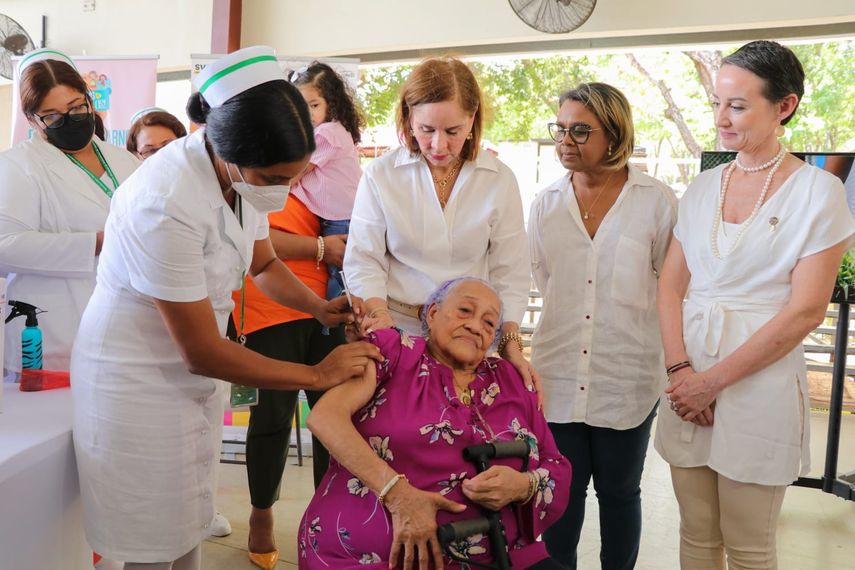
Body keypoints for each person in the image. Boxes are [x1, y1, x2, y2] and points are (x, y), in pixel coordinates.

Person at [70, 46, 382, 570]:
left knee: (189, 525)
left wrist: (318, 307)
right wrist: (315, 374)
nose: (283, 191)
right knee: (152, 543)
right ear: (230, 151)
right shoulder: (164, 201)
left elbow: (264, 264)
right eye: (274, 179)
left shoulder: (239, 177)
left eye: (291, 177)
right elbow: (201, 352)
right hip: (136, 380)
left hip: (193, 374)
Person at [654, 40, 855, 569]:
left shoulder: (818, 193)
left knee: (749, 546)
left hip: (758, 379)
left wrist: (712, 382)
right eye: (717, 103)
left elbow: (806, 310)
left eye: (738, 106)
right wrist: (681, 372)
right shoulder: (702, 188)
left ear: (784, 106)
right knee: (696, 535)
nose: (721, 118)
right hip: (687, 374)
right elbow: (670, 287)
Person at [301, 278, 572, 570]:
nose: (475, 326)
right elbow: (325, 417)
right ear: (432, 313)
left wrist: (524, 486)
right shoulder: (393, 352)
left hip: (502, 555)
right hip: (380, 558)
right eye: (465, 310)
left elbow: (556, 465)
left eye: (489, 323)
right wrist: (399, 495)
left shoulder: (509, 379)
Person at [528, 82, 677, 570]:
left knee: (619, 493)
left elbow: (672, 288)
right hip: (558, 373)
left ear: (613, 135)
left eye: (580, 130)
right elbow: (546, 282)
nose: (565, 140)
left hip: (626, 375)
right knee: (560, 494)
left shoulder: (656, 201)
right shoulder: (546, 203)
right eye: (560, 129)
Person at [343, 56, 539, 400]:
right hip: (396, 328)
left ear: (472, 119)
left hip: (469, 341)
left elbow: (510, 271)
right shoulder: (380, 175)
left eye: (452, 132)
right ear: (409, 117)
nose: (438, 145)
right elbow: (364, 259)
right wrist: (379, 315)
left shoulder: (499, 179)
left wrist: (509, 340)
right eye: (426, 130)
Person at [0, 48, 140, 379]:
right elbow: (5, 247)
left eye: (76, 107)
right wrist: (98, 243)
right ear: (32, 120)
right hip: (54, 332)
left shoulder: (124, 161)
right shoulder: (18, 166)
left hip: (130, 325)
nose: (69, 119)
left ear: (90, 102)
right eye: (52, 115)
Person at [235, 175, 349, 569]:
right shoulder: (254, 175)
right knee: (271, 417)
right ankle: (261, 513)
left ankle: (331, 516)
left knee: (335, 421)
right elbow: (255, 242)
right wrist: (320, 247)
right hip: (267, 308)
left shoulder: (329, 176)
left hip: (330, 304)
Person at [289, 62, 365, 300]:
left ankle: (337, 318)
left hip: (342, 219)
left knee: (341, 278)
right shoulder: (329, 131)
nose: (307, 113)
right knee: (342, 275)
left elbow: (296, 173)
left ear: (330, 104)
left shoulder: (327, 133)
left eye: (314, 105)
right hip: (342, 215)